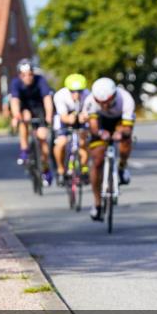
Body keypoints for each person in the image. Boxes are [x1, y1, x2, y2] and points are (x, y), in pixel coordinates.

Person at [83, 77, 136, 222]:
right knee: (97, 160)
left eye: (107, 101)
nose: (105, 105)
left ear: (113, 96)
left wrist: (121, 133)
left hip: (119, 121)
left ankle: (122, 166)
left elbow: (128, 127)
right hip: (100, 123)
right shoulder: (90, 101)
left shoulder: (126, 99)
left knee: (126, 140)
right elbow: (93, 125)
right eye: (101, 102)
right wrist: (100, 133)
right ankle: (97, 204)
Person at [9, 59, 54, 186]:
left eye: (30, 74)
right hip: (25, 108)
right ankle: (24, 150)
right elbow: (15, 101)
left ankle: (45, 168)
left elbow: (47, 99)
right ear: (19, 75)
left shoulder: (41, 80)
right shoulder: (16, 83)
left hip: (39, 109)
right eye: (24, 75)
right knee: (24, 119)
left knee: (42, 136)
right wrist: (16, 115)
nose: (27, 77)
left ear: (33, 73)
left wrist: (49, 115)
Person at [51, 73, 91, 187]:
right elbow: (63, 117)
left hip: (80, 118)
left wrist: (85, 117)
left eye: (79, 91)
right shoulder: (60, 95)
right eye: (73, 91)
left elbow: (89, 113)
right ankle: (60, 170)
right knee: (61, 143)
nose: (76, 94)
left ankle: (84, 168)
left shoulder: (88, 95)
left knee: (84, 141)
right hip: (64, 118)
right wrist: (69, 119)